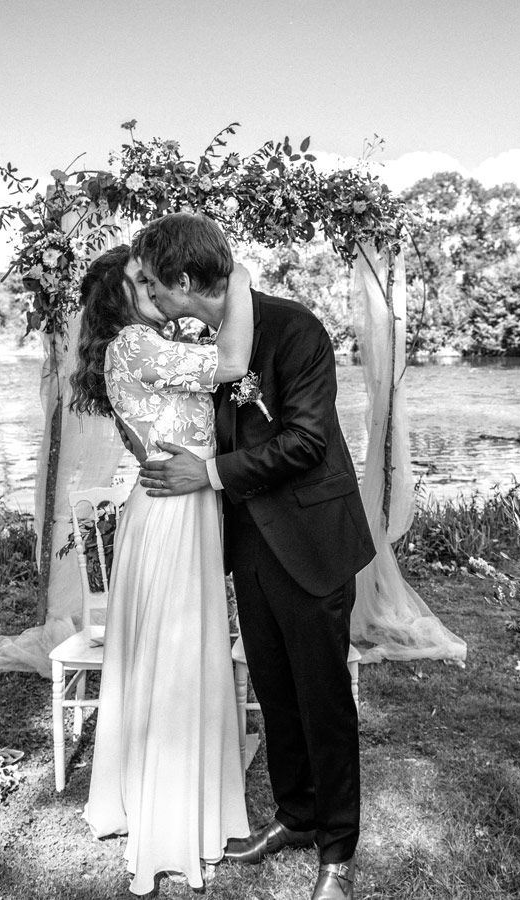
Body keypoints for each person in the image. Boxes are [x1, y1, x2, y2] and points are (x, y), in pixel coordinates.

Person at [136, 212, 376, 900]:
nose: (153, 296)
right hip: (250, 546)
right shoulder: (214, 345)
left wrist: (206, 476)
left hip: (309, 541)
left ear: (184, 281)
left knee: (322, 698)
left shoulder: (293, 328)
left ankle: (336, 848)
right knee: (273, 692)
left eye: (156, 283)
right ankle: (295, 816)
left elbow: (305, 443)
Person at [69, 243, 254, 895]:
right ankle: (171, 822)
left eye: (152, 276)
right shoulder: (134, 345)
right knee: (176, 655)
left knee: (177, 654)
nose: (149, 283)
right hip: (174, 511)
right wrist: (242, 282)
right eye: (137, 277)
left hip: (179, 504)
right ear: (117, 294)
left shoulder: (143, 346)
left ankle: (166, 799)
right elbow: (232, 362)